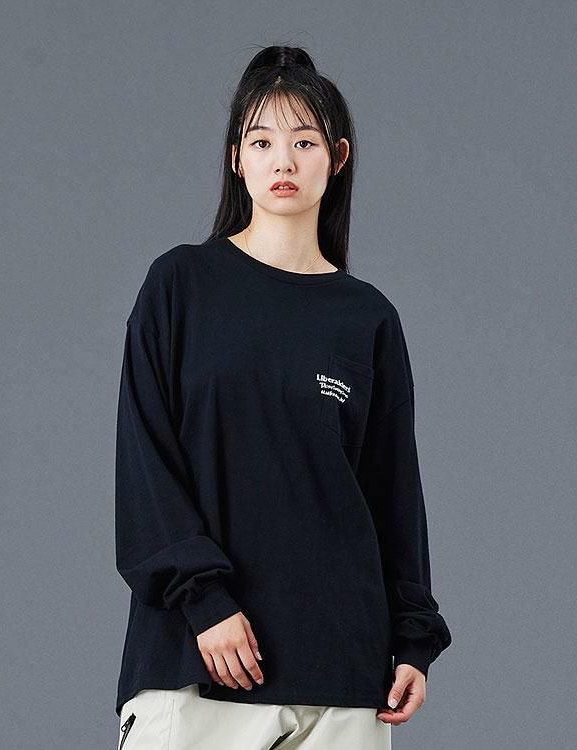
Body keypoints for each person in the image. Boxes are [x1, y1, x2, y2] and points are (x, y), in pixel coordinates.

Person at [114, 44, 452, 749]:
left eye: (304, 141)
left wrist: (413, 639)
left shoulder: (367, 318)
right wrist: (204, 601)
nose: (284, 161)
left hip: (345, 676)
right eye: (262, 141)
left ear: (338, 156)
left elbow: (393, 490)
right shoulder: (181, 286)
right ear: (236, 157)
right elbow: (146, 462)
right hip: (200, 663)